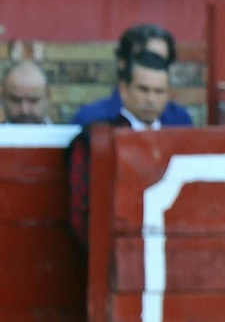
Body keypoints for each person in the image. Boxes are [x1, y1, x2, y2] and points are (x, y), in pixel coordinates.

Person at [67, 51, 172, 243]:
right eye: (143, 89)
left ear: (168, 95)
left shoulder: (176, 140)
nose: (151, 99)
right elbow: (80, 213)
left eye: (158, 91)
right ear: (124, 89)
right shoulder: (94, 141)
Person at [72, 24, 193, 128]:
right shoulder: (92, 119)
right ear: (123, 63)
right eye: (144, 59)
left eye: (160, 62)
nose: (152, 65)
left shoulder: (179, 120)